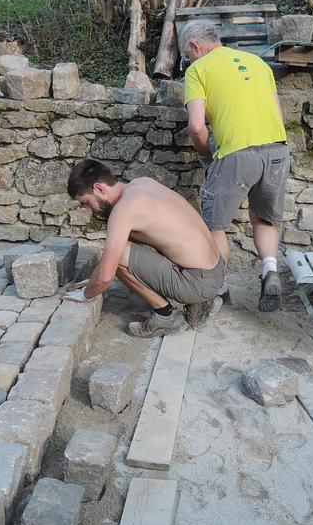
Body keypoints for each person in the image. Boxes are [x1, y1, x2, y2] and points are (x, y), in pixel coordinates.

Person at [181, 19, 290, 312]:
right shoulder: (258, 63)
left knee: (214, 225)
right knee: (263, 218)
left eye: (188, 56)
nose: (189, 61)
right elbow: (279, 115)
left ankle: (220, 288)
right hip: (277, 150)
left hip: (236, 152)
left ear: (194, 46)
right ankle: (270, 270)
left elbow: (196, 127)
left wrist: (206, 155)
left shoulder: (198, 70)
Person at [64, 159, 225, 338]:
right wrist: (96, 278)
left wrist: (86, 294)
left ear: (99, 189)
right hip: (216, 270)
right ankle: (199, 302)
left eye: (86, 202)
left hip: (199, 283)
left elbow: (105, 276)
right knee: (119, 251)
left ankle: (165, 317)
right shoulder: (142, 183)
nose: (88, 209)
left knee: (118, 257)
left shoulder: (123, 210)